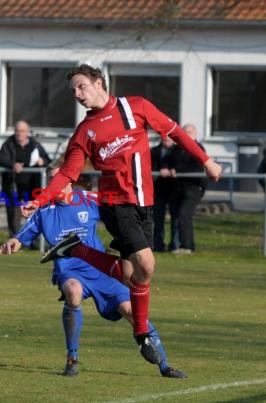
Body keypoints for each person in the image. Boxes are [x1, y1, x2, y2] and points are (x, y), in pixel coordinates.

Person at [24, 64, 221, 363]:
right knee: (148, 266)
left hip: (144, 203)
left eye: (81, 87)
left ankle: (78, 250)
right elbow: (67, 173)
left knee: (133, 277)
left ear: (99, 82)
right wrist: (40, 200)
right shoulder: (84, 133)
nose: (77, 94)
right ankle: (142, 333)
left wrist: (206, 160)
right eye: (73, 90)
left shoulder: (136, 106)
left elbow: (176, 133)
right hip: (116, 204)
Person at [1, 159, 186, 378]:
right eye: (51, 179)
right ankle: (72, 357)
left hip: (100, 268)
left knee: (132, 311)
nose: (54, 182)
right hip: (69, 268)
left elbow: (118, 209)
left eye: (58, 178)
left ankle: (164, 364)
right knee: (73, 292)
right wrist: (13, 242)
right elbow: (22, 237)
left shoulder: (87, 199)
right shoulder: (43, 210)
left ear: (70, 179)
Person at [0, 120, 50, 237]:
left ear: (27, 132)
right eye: (17, 131)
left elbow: (49, 161)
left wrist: (43, 161)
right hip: (13, 185)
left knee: (33, 215)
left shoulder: (35, 145)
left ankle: (34, 242)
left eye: (22, 131)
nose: (19, 133)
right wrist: (13, 165)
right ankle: (15, 240)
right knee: (13, 215)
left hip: (32, 186)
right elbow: (2, 159)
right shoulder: (8, 144)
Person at [170, 124, 207, 254]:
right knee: (180, 216)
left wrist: (177, 170)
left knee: (184, 215)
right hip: (179, 188)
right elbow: (168, 161)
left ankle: (185, 246)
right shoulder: (176, 148)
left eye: (189, 132)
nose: (186, 134)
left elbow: (197, 167)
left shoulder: (198, 148)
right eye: (184, 132)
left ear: (195, 134)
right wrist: (166, 168)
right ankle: (187, 245)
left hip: (194, 188)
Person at [151, 136, 179, 252]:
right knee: (158, 218)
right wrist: (159, 171)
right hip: (159, 189)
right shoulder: (154, 151)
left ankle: (175, 244)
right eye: (164, 137)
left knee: (176, 218)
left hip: (174, 189)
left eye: (169, 137)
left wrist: (172, 170)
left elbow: (180, 165)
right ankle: (158, 244)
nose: (166, 139)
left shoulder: (178, 151)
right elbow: (149, 166)